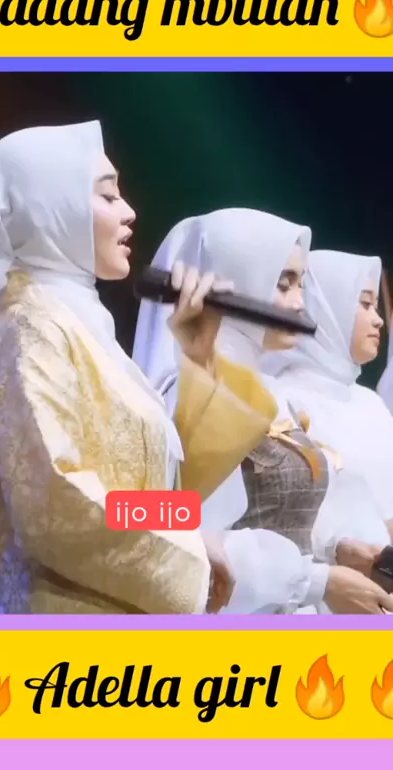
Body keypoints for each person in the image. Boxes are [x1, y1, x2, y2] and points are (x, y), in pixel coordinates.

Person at [0, 122, 279, 615]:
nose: (129, 211)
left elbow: (146, 486)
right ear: (48, 209)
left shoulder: (83, 328)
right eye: (108, 196)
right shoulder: (33, 330)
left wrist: (199, 359)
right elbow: (58, 504)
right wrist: (186, 544)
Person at [133, 209, 393, 614]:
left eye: (300, 284)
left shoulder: (268, 394)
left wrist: (338, 549)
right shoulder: (181, 394)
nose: (299, 303)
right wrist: (313, 581)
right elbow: (162, 524)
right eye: (283, 284)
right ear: (235, 281)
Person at [265, 248, 393, 552]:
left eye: (376, 306)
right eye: (365, 304)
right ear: (326, 308)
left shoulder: (371, 403)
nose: (378, 321)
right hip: (326, 572)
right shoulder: (282, 399)